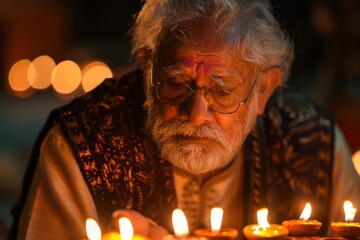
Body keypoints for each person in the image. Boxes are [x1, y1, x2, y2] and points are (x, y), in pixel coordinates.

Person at [8, 0, 360, 239]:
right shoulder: (82, 142)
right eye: (177, 85)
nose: (196, 114)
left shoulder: (313, 141)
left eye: (221, 91)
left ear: (263, 91)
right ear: (148, 68)